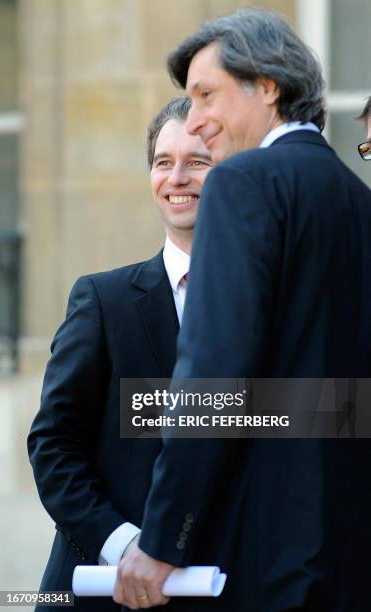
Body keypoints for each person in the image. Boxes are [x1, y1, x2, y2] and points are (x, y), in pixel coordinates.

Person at [114, 8, 371, 611]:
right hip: (354, 552)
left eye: (206, 95)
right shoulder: (360, 200)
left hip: (263, 554)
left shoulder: (242, 182)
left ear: (267, 86)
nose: (196, 122)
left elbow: (212, 372)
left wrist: (162, 539)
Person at [27, 96, 213, 612]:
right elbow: (53, 445)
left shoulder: (272, 307)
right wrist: (123, 545)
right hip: (103, 592)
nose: (177, 177)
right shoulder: (103, 300)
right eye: (162, 162)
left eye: (198, 162)